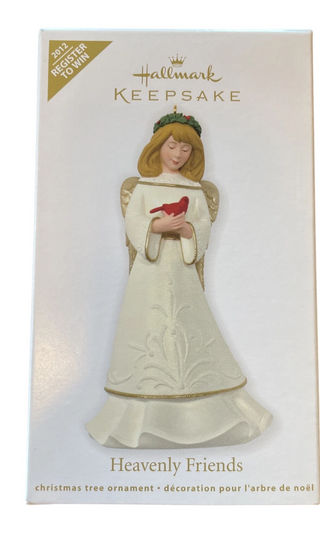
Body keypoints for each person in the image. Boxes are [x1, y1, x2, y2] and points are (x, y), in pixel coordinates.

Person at [86, 112, 272, 448]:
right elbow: (134, 222)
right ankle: (139, 417)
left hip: (182, 274)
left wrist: (187, 230)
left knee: (188, 329)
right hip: (149, 274)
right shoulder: (142, 187)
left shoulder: (195, 191)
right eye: (172, 146)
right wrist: (156, 227)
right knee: (149, 328)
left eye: (186, 149)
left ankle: (204, 413)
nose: (178, 154)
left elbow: (202, 227)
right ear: (158, 146)